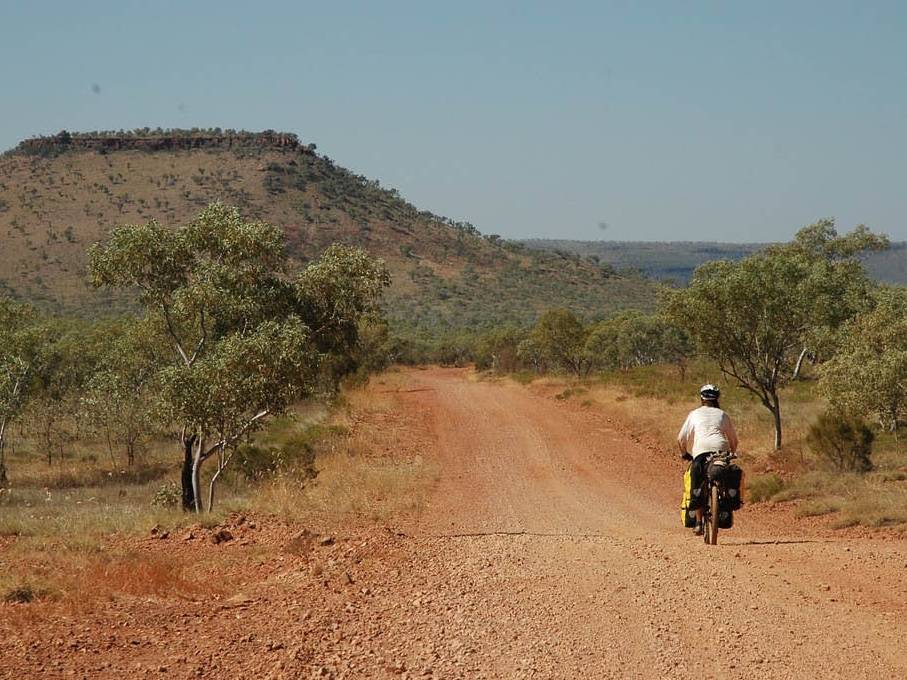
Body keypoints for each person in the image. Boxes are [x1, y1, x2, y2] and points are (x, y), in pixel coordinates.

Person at [677, 384, 738, 535]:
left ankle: (698, 523)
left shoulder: (694, 414)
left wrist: (684, 453)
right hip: (721, 450)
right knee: (724, 475)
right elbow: (734, 441)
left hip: (701, 451)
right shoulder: (723, 415)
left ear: (701, 398)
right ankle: (723, 504)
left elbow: (681, 439)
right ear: (717, 398)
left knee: (697, 484)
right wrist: (730, 453)